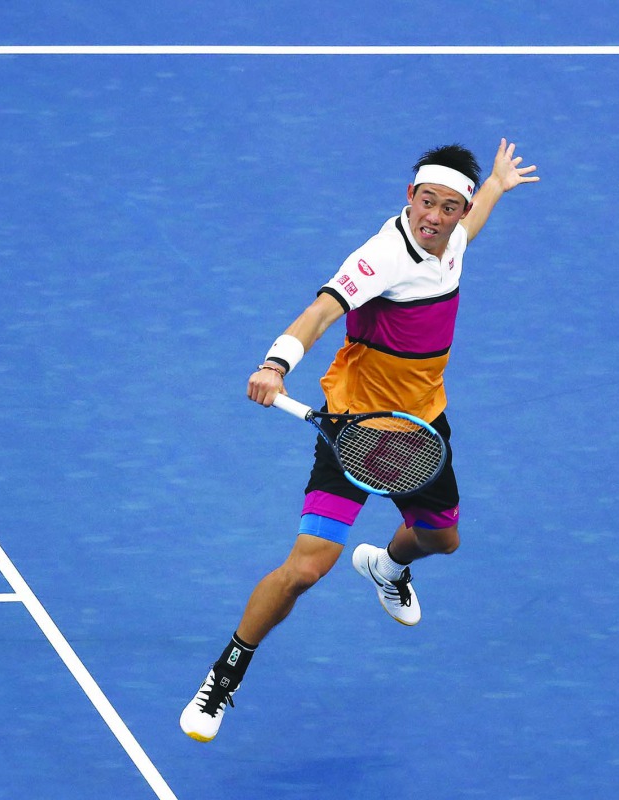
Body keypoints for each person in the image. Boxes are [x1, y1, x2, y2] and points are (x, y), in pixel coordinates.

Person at [180, 139, 539, 742]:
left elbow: (469, 231)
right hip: (357, 432)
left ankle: (387, 565)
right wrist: (275, 364)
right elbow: (321, 312)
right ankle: (225, 675)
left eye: (449, 208)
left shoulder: (451, 239)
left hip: (422, 427)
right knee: (305, 570)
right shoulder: (380, 258)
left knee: (443, 540)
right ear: (409, 196)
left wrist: (497, 186)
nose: (436, 217)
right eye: (427, 202)